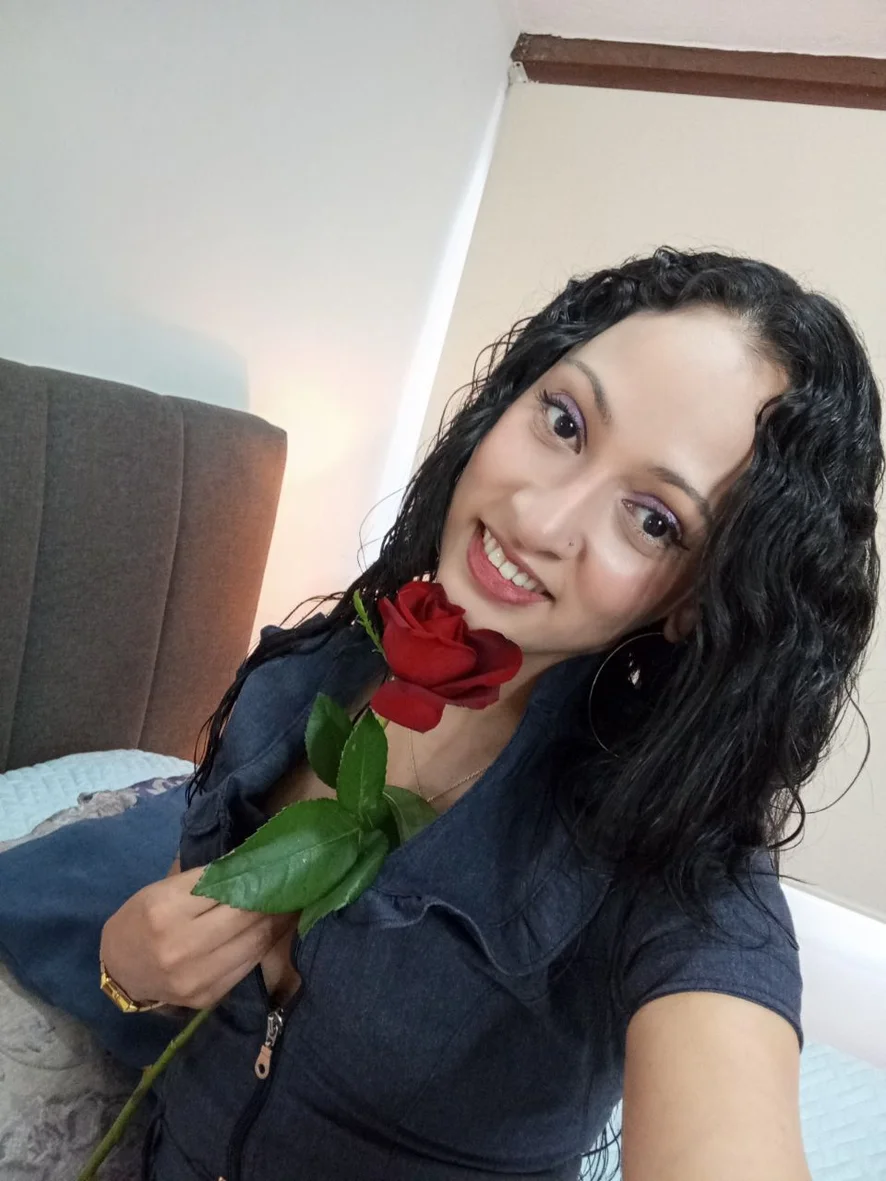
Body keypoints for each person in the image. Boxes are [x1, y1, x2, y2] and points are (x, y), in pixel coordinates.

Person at [98, 247, 882, 1180]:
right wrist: (126, 967)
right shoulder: (309, 672)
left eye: (654, 519)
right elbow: (175, 988)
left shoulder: (667, 863)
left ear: (696, 598)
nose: (540, 521)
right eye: (564, 421)